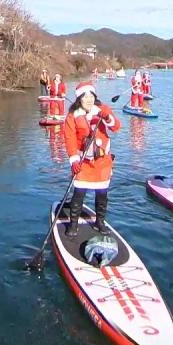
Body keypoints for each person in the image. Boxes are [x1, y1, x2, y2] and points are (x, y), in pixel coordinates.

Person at [61, 80, 121, 234]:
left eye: (91, 96)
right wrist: (74, 160)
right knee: (79, 192)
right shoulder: (72, 116)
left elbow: (116, 127)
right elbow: (69, 139)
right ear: (79, 99)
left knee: (102, 194)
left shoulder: (102, 109)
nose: (89, 99)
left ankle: (99, 222)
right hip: (83, 162)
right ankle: (73, 224)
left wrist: (107, 117)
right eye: (85, 96)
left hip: (102, 162)